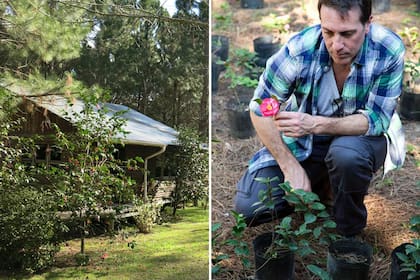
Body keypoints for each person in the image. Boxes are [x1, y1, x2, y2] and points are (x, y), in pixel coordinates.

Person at [234, 0, 406, 237]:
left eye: (347, 34)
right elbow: (261, 106)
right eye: (328, 32)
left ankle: (348, 230)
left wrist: (316, 123)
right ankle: (323, 184)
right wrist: (290, 166)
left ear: (367, 25)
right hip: (308, 144)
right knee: (249, 207)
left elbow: (376, 119)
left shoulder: (387, 50)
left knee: (347, 156)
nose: (337, 45)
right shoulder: (300, 50)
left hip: (359, 138)